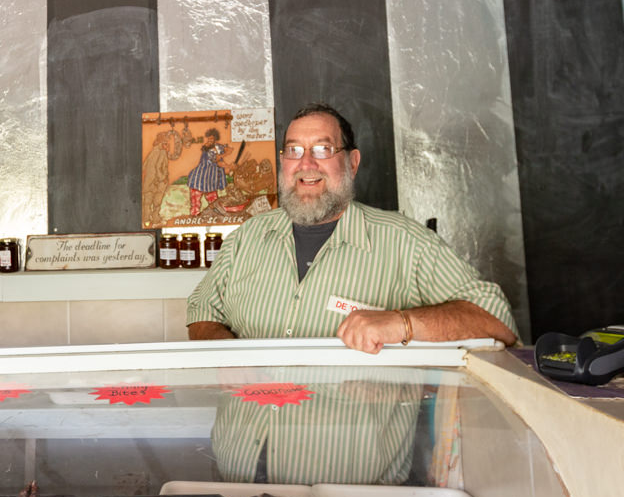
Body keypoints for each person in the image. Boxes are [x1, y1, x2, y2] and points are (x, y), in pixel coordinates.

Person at [187, 103, 518, 352]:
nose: (305, 164)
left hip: (347, 443)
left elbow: (496, 320)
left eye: (322, 149)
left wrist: (403, 323)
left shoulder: (405, 241)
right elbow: (203, 311)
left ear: (352, 163)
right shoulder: (246, 238)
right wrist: (229, 356)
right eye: (293, 150)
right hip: (247, 437)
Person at [187, 128, 229, 215]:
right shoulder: (207, 148)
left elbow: (222, 157)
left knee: (213, 198)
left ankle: (215, 213)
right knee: (196, 198)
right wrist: (226, 158)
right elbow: (216, 159)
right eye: (209, 139)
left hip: (211, 178)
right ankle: (195, 215)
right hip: (200, 177)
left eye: (212, 139)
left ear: (215, 139)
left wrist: (227, 161)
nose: (210, 141)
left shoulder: (218, 147)